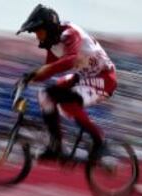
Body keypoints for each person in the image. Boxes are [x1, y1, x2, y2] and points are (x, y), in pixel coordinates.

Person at [16, 4, 117, 160]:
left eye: (39, 32)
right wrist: (28, 78)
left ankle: (100, 141)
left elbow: (68, 61)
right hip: (82, 77)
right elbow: (48, 70)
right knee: (45, 95)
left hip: (104, 78)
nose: (38, 37)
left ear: (49, 27)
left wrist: (39, 72)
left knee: (68, 102)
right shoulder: (53, 44)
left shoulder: (70, 33)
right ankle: (56, 145)